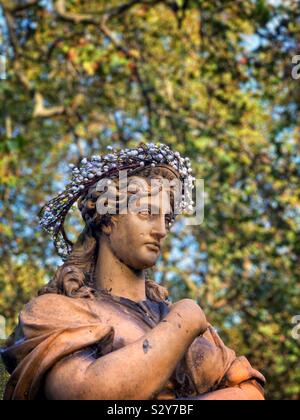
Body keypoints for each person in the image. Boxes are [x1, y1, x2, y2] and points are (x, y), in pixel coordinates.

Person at [1, 143, 265, 400]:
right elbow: (85, 392)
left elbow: (251, 391)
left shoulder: (181, 320)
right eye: (147, 212)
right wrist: (186, 320)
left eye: (167, 219)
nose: (161, 230)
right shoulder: (55, 311)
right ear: (107, 221)